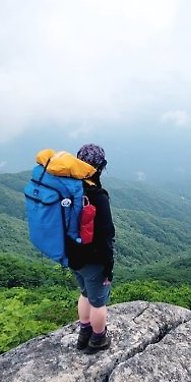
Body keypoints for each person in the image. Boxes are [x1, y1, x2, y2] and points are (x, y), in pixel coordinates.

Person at [66, 143, 115, 353]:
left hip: (72, 255)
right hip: (94, 259)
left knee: (85, 293)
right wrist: (108, 267)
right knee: (98, 303)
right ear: (100, 166)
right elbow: (106, 234)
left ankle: (83, 334)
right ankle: (98, 339)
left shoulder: (68, 189)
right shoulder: (97, 195)